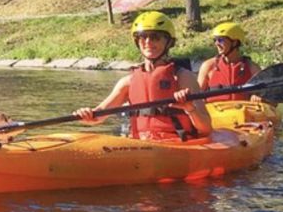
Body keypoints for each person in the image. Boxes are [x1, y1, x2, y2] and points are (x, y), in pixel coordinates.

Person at [73, 11, 212, 142]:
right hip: (140, 144)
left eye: (155, 37)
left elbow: (206, 128)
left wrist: (189, 108)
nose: (148, 42)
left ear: (169, 42)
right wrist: (88, 114)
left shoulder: (183, 77)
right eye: (142, 37)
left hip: (176, 142)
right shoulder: (128, 82)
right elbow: (98, 115)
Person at [198, 21, 263, 102]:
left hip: (242, 112)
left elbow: (270, 100)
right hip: (215, 112)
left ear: (235, 42)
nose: (216, 44)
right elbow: (197, 98)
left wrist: (260, 97)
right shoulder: (208, 66)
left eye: (220, 40)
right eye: (215, 40)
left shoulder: (252, 68)